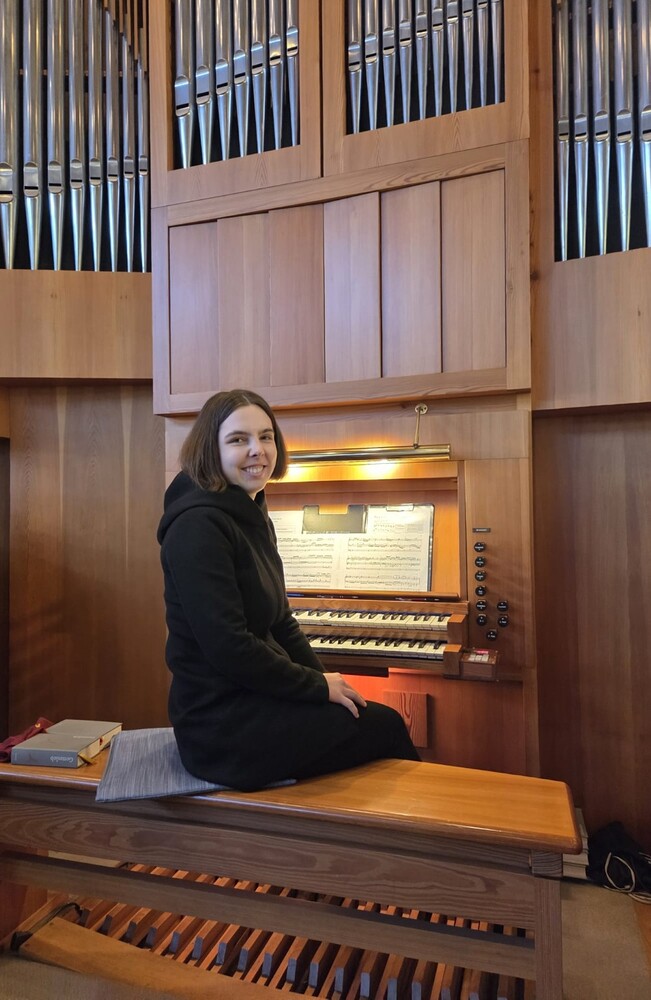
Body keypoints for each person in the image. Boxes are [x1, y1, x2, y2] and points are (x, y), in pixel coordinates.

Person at [157, 388, 420, 791]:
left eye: (266, 436)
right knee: (386, 727)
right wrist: (316, 687)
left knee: (366, 716)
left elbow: (281, 622)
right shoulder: (197, 527)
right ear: (211, 449)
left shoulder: (251, 509)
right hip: (220, 726)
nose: (257, 450)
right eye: (238, 439)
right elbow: (229, 647)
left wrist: (328, 683)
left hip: (255, 695)